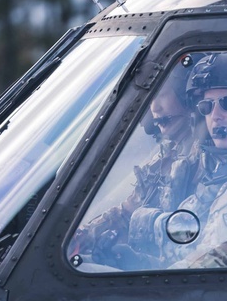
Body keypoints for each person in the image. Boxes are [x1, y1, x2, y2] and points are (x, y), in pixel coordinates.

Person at [128, 51, 227, 269]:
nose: (215, 116)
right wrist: (134, 261)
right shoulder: (222, 167)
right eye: (207, 106)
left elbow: (203, 273)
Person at [71, 68, 197, 261]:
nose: (155, 108)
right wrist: (83, 236)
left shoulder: (204, 157)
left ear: (186, 97)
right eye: (151, 98)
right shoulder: (166, 156)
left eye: (162, 95)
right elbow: (127, 212)